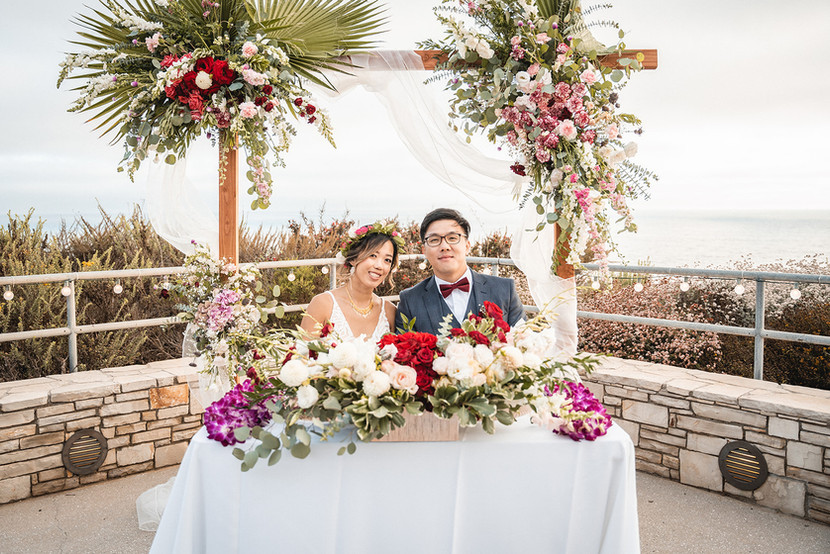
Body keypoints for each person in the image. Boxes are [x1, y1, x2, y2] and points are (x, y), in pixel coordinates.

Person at [395, 208, 524, 335]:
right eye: (434, 240)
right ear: (424, 251)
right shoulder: (410, 301)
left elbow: (524, 342)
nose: (444, 247)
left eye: (452, 238)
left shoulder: (504, 290)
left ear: (467, 245)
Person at [301, 221, 403, 341]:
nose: (379, 266)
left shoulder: (389, 311)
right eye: (373, 255)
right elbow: (302, 356)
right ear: (353, 259)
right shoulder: (323, 304)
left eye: (387, 260)